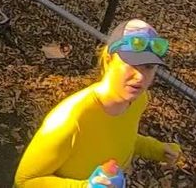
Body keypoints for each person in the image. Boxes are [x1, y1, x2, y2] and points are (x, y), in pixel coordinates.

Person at [14, 19, 182, 187]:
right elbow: (24, 181)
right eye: (131, 63)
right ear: (108, 60)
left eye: (149, 66)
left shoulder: (138, 100)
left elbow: (119, 136)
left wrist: (155, 149)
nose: (140, 77)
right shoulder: (71, 119)